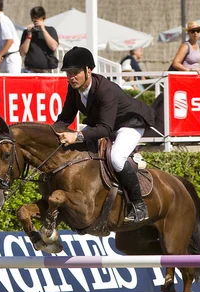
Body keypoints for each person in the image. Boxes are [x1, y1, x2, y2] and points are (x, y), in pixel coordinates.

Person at [54, 47, 155, 224]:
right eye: (68, 73)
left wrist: (76, 136)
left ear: (88, 70)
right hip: (104, 124)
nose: (71, 77)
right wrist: (47, 133)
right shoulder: (73, 89)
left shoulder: (105, 90)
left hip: (128, 124)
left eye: (75, 72)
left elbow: (105, 129)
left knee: (116, 158)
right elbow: (64, 119)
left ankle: (139, 205)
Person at [19, 6, 59, 73]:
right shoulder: (27, 32)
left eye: (38, 20)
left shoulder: (50, 30)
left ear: (44, 18)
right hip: (30, 71)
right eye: (34, 20)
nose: (36, 23)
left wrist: (43, 29)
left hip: (46, 71)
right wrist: (29, 36)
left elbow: (53, 47)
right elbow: (22, 53)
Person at [0, 0, 21, 74]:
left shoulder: (3, 20)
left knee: (12, 83)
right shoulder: (0, 20)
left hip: (11, 58)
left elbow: (10, 41)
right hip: (6, 58)